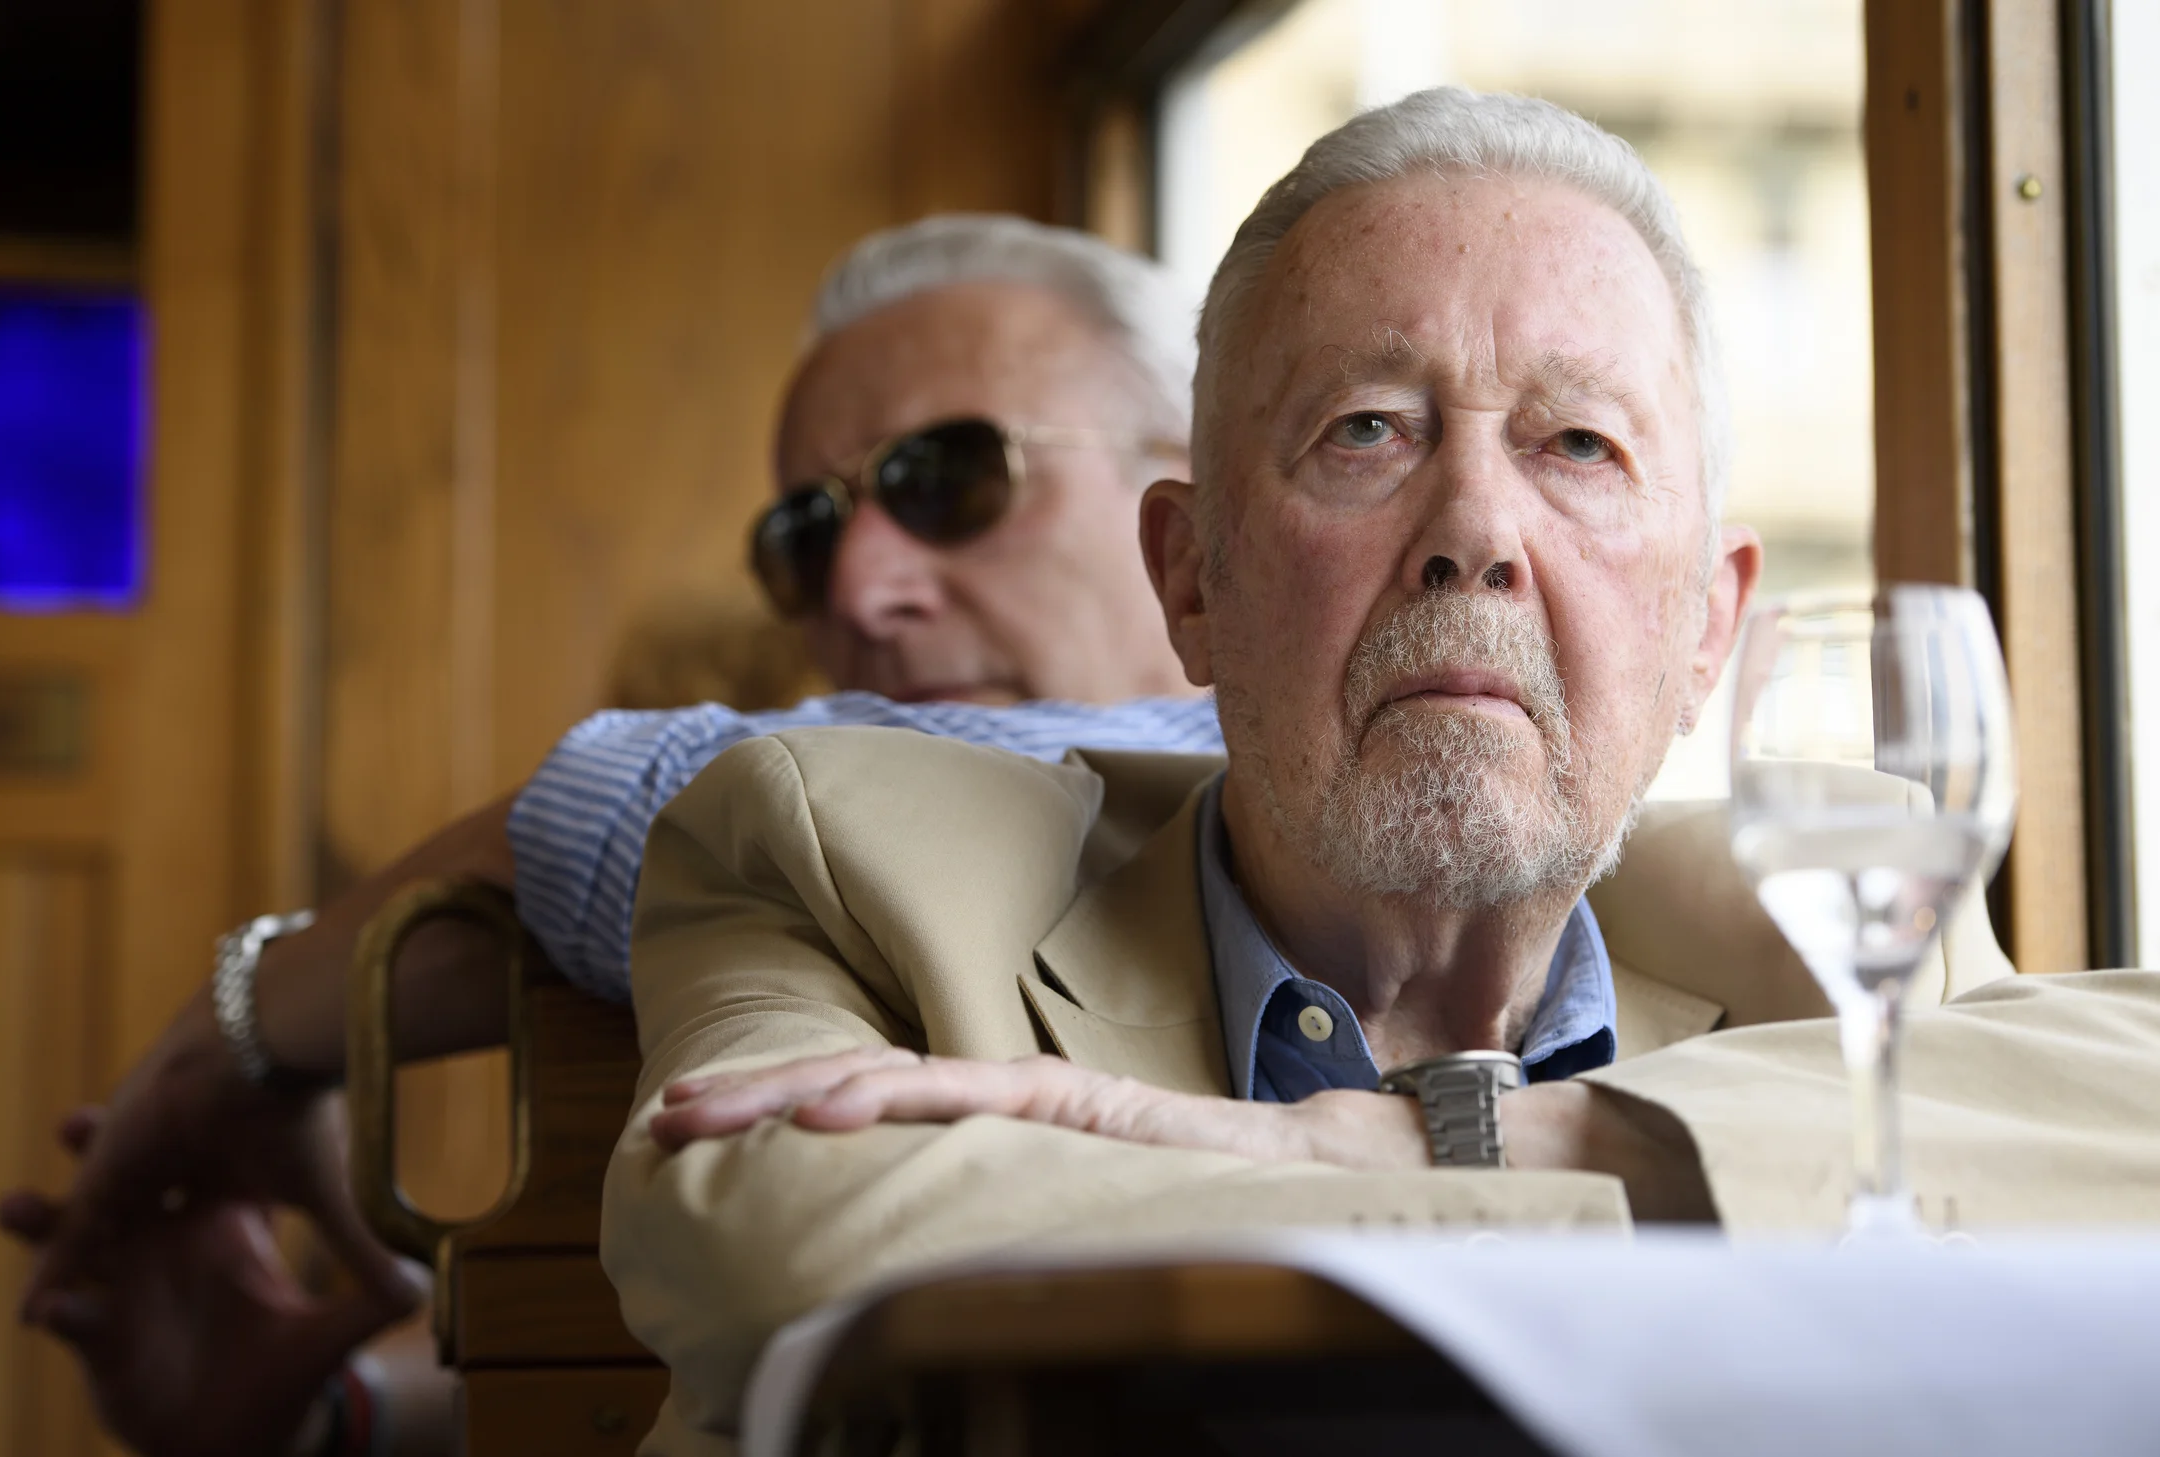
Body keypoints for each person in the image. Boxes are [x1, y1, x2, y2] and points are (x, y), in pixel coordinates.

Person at [602, 89, 2160, 1456]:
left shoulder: (1832, 914)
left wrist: (1427, 1138)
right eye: (1364, 429)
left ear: (1707, 629)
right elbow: (763, 1241)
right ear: (1190, 579)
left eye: (1577, 447)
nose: (1473, 529)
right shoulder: (835, 852)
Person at [0, 214, 1237, 1457]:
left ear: (1194, 515)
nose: (859, 589)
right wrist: (336, 1419)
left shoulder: (1302, 807)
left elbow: (660, 784)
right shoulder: (757, 909)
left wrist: (239, 1025)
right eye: (802, 535)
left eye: (948, 480)